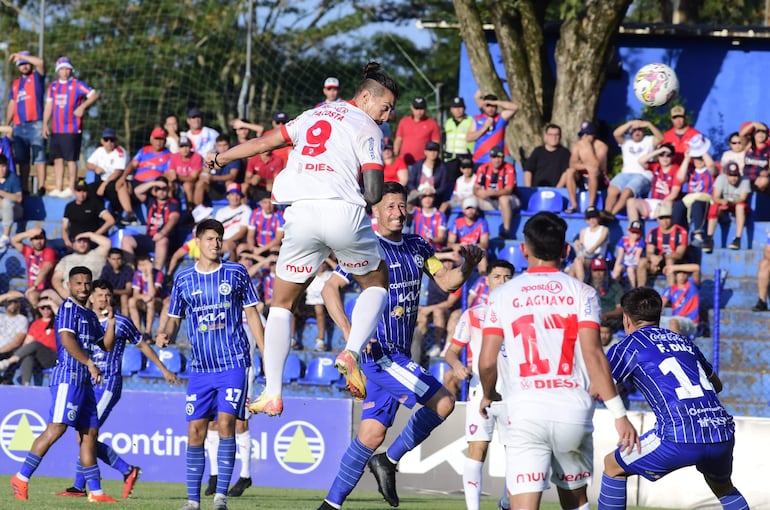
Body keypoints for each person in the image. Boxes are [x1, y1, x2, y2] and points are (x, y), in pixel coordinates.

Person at [207, 62, 399, 416]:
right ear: (366, 97)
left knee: (281, 304)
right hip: (342, 210)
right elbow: (373, 192)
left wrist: (222, 156)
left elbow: (264, 142)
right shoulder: (368, 126)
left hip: (300, 214)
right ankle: (351, 352)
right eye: (385, 107)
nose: (386, 116)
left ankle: (273, 391)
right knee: (377, 282)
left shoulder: (312, 114)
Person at [317, 182, 484, 510]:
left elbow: (446, 283)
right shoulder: (365, 248)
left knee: (370, 436)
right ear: (375, 212)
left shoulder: (418, 245)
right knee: (444, 403)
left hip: (399, 356)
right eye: (390, 207)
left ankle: (330, 505)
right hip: (379, 355)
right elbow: (329, 290)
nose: (398, 213)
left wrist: (466, 266)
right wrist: (354, 337)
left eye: (402, 206)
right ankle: (389, 462)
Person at [477, 211, 638, 510]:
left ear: (524, 249)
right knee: (575, 504)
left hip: (524, 411)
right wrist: (619, 414)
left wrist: (488, 393)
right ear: (565, 251)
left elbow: (487, 362)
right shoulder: (583, 292)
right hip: (571, 410)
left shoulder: (501, 295)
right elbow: (593, 355)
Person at [598, 287, 749, 510]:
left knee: (613, 466)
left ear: (626, 319)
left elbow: (599, 387)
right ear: (658, 317)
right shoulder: (684, 341)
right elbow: (717, 385)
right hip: (720, 432)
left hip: (678, 436)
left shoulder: (628, 346)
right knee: (724, 487)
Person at [155, 219, 263, 510]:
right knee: (195, 431)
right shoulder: (184, 279)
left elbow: (252, 314)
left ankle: (220, 499)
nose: (216, 244)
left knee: (227, 423)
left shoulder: (236, 272)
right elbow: (175, 318)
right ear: (197, 242)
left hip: (233, 363)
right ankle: (192, 502)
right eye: (210, 239)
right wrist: (166, 332)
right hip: (200, 369)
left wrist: (265, 352)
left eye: (219, 239)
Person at [55, 278, 178, 499]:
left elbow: (142, 345)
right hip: (87, 383)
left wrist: (164, 369)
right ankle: (100, 479)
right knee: (84, 436)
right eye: (99, 295)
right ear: (91, 297)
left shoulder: (121, 322)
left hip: (108, 384)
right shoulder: (84, 320)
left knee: (87, 435)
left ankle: (112, 474)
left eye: (107, 295)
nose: (104, 299)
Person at [10, 266, 117, 503]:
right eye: (78, 283)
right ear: (69, 285)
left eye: (86, 283)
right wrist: (89, 362)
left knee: (89, 435)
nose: (83, 287)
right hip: (68, 378)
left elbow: (106, 346)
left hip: (85, 382)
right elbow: (67, 339)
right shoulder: (68, 309)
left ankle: (96, 493)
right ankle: (21, 477)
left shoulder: (89, 315)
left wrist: (111, 321)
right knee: (56, 428)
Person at [444, 259, 514, 510]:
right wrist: (457, 366)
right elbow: (451, 352)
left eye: (507, 277)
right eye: (497, 277)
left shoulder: (521, 314)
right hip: (480, 390)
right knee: (477, 449)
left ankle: (506, 502)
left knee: (517, 453)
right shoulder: (473, 314)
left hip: (514, 393)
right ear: (487, 281)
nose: (502, 282)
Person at [43, 57, 100, 197]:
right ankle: (58, 187)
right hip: (57, 129)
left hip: (72, 128)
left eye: (67, 68)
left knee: (71, 159)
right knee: (57, 159)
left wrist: (82, 107)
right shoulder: (53, 86)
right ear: (58, 70)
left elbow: (94, 95)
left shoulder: (77, 84)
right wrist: (45, 123)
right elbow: (49, 105)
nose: (65, 71)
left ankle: (71, 187)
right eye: (62, 68)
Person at [602, 119, 663, 221]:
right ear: (630, 131)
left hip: (643, 175)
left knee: (627, 191)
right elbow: (616, 134)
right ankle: (606, 213)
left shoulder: (649, 140)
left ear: (644, 131)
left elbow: (661, 138)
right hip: (625, 174)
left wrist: (648, 124)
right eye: (634, 130)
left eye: (640, 129)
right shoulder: (626, 140)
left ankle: (611, 214)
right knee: (612, 189)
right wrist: (630, 123)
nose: (637, 132)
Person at [6, 50, 46, 194]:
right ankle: (24, 187)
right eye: (21, 64)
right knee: (22, 159)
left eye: (26, 64)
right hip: (19, 125)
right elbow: (12, 103)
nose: (24, 66)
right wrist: (7, 123)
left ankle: (41, 187)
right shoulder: (15, 84)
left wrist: (21, 56)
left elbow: (41, 63)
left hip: (35, 122)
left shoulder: (36, 77)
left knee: (39, 157)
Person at [121, 177, 181, 271]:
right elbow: (137, 191)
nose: (161, 191)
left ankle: (157, 274)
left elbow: (173, 220)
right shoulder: (151, 201)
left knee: (162, 241)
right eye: (158, 189)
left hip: (166, 239)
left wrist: (162, 233)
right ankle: (131, 272)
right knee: (126, 240)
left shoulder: (173, 203)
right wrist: (153, 183)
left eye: (163, 189)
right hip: (149, 237)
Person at [0, 297, 57, 386]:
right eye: (43, 308)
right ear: (39, 309)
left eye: (48, 308)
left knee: (35, 344)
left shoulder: (58, 321)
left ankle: (8, 362)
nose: (45, 310)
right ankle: (26, 384)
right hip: (38, 358)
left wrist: (51, 303)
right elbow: (27, 342)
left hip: (52, 356)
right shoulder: (35, 324)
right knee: (28, 355)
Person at [625, 143, 682, 223]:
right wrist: (658, 151)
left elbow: (674, 194)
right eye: (661, 155)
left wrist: (660, 205)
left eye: (668, 155)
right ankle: (635, 229)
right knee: (631, 201)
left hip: (667, 202)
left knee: (668, 204)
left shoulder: (677, 170)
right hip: (652, 201)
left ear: (673, 157)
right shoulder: (656, 166)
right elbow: (640, 161)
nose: (664, 158)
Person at [86, 128, 134, 222]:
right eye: (106, 139)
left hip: (118, 180)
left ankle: (117, 211)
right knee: (89, 189)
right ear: (102, 141)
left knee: (111, 187)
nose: (109, 142)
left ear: (116, 141)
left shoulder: (120, 152)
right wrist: (95, 168)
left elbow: (118, 172)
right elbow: (88, 164)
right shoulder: (99, 151)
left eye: (112, 140)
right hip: (104, 179)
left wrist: (103, 185)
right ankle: (98, 212)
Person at [473, 144, 520, 239]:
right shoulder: (483, 168)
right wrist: (478, 193)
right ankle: (473, 231)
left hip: (511, 200)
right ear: (490, 158)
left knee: (503, 199)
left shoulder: (509, 168)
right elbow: (475, 187)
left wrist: (489, 193)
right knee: (470, 201)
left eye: (499, 157)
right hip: (490, 200)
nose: (497, 160)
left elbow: (508, 190)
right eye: (494, 157)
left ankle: (506, 230)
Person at [704, 160, 751, 253]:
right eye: (731, 175)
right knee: (714, 207)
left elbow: (743, 198)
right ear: (727, 175)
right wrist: (721, 201)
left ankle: (737, 239)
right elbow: (715, 197)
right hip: (725, 204)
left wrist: (729, 203)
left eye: (735, 175)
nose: (733, 178)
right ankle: (709, 239)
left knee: (740, 206)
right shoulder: (721, 179)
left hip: (736, 204)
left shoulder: (745, 180)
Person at [637, 202, 688, 287]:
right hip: (657, 263)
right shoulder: (653, 232)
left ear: (672, 218)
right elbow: (649, 251)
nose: (665, 221)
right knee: (642, 262)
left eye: (667, 217)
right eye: (662, 218)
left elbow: (679, 254)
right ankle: (640, 291)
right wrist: (653, 258)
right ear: (657, 219)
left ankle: (670, 293)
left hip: (676, 263)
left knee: (670, 261)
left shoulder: (681, 232)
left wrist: (663, 257)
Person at [677, 138, 716, 247]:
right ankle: (677, 234)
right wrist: (686, 158)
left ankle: (698, 235)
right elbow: (680, 178)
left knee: (697, 203)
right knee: (678, 206)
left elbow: (712, 167)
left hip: (706, 199)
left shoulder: (709, 171)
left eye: (700, 158)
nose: (698, 160)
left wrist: (702, 150)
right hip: (690, 198)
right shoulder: (691, 172)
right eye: (695, 158)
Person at [50, 232, 112, 301]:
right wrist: (64, 294)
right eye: (79, 241)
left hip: (91, 295)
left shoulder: (97, 254)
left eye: (85, 241)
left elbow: (107, 243)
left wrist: (88, 234)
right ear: (73, 244)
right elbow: (56, 279)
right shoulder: (66, 259)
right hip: (68, 295)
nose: (82, 244)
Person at [564, 120, 608, 213]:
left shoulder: (601, 146)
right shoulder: (578, 145)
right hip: (582, 175)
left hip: (598, 177)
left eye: (588, 134)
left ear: (594, 135)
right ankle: (574, 204)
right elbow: (572, 164)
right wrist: (585, 166)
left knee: (593, 172)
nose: (585, 137)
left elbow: (596, 166)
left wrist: (588, 148)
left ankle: (590, 206)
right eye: (583, 134)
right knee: (569, 172)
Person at [62, 177, 116, 250]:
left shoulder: (94, 204)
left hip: (91, 244)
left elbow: (110, 221)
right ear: (74, 191)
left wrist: (94, 236)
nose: (81, 194)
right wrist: (67, 241)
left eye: (84, 191)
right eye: (79, 191)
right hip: (76, 242)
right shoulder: (70, 206)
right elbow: (64, 227)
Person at [11, 227, 58, 309]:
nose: (39, 242)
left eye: (41, 238)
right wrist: (28, 233)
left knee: (32, 296)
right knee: (7, 296)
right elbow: (14, 240)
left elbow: (45, 270)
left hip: (45, 289)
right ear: (31, 240)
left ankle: (37, 319)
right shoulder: (28, 251)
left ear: (45, 239)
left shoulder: (49, 251)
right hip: (30, 289)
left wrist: (34, 286)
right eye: (36, 238)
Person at [466, 91, 519, 164]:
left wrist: (496, 102)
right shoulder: (477, 119)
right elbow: (468, 138)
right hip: (479, 160)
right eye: (488, 106)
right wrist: (484, 128)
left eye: (493, 106)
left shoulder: (501, 118)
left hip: (496, 162)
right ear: (483, 106)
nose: (490, 109)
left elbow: (515, 107)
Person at [394, 96, 441, 167]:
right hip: (404, 162)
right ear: (412, 108)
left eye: (421, 108)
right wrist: (395, 156)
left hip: (423, 163)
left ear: (425, 109)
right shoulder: (404, 121)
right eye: (416, 108)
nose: (419, 111)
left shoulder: (432, 123)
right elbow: (398, 140)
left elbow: (436, 143)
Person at [660, 263, 701, 337]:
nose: (681, 276)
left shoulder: (692, 285)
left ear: (687, 275)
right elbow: (659, 306)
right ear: (675, 275)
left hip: (691, 322)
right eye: (679, 273)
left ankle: (677, 346)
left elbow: (696, 268)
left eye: (684, 273)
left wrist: (674, 267)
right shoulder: (670, 289)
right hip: (675, 320)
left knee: (674, 322)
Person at [570, 206, 609, 283]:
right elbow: (581, 248)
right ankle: (576, 285)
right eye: (589, 218)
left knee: (577, 262)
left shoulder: (604, 229)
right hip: (584, 258)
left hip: (597, 258)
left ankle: (580, 284)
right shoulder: (583, 231)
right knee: (575, 265)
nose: (592, 220)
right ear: (586, 220)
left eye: (594, 217)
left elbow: (598, 244)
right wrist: (577, 244)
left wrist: (586, 254)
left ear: (598, 218)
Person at [127, 254, 164, 335]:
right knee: (131, 301)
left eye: (145, 265)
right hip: (143, 299)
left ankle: (148, 332)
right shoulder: (138, 274)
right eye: (140, 265)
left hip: (157, 300)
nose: (142, 268)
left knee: (150, 302)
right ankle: (137, 330)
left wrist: (150, 274)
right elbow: (135, 294)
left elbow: (153, 294)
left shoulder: (158, 274)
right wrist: (143, 297)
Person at [406, 140, 450, 205]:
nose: (432, 153)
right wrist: (413, 190)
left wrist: (434, 191)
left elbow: (443, 186)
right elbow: (411, 182)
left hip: (433, 195)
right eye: (430, 150)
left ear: (438, 153)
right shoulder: (417, 166)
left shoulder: (442, 168)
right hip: (418, 194)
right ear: (425, 152)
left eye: (435, 151)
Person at [214, 182, 251, 259]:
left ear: (241, 197)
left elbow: (242, 232)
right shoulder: (221, 211)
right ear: (227, 196)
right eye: (232, 194)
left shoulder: (246, 209)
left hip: (236, 241)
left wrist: (227, 241)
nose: (235, 197)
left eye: (237, 195)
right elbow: (216, 230)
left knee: (228, 246)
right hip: (221, 240)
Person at [0, 291, 31, 382]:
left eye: (15, 302)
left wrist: (0, 351)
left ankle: (6, 381)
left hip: (9, 350)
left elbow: (17, 342)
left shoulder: (22, 319)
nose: (13, 304)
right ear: (5, 305)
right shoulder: (1, 317)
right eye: (10, 302)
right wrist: (7, 295)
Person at [443, 96, 474, 183]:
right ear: (451, 109)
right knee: (450, 184)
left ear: (464, 108)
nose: (458, 110)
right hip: (450, 159)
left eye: (460, 107)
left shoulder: (471, 121)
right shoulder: (448, 122)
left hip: (465, 158)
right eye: (455, 107)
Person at [166, 135, 203, 207]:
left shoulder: (197, 157)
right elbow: (171, 174)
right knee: (169, 184)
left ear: (190, 147)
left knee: (187, 185)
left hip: (192, 184)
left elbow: (193, 178)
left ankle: (190, 210)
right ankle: (170, 208)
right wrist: (173, 177)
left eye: (187, 146)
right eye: (182, 147)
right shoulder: (174, 157)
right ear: (179, 148)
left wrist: (177, 177)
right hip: (177, 184)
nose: (184, 149)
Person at [411, 183, 447, 250]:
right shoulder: (416, 212)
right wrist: (419, 193)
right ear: (420, 198)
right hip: (417, 249)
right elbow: (406, 203)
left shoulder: (440, 215)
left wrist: (429, 240)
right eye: (424, 196)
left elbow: (441, 238)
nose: (427, 199)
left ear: (434, 198)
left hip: (435, 250)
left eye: (430, 196)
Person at [588, 258, 624, 325]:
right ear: (591, 272)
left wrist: (606, 315)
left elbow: (620, 309)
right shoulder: (587, 287)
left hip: (611, 323)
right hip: (591, 321)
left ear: (606, 272)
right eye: (595, 270)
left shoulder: (616, 286)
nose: (598, 273)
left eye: (601, 270)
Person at [611, 220, 645, 289]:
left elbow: (637, 256)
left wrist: (638, 268)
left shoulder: (640, 242)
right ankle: (613, 287)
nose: (634, 235)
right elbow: (620, 256)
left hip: (634, 264)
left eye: (637, 233)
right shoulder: (623, 240)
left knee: (630, 269)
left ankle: (632, 288)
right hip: (625, 263)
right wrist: (616, 267)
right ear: (628, 231)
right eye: (632, 232)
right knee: (618, 268)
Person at [739, 120, 770, 193]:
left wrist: (767, 172)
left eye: (763, 132)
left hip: (759, 179)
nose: (761, 134)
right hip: (745, 178)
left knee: (764, 181)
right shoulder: (748, 145)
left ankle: (758, 199)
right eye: (758, 132)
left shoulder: (768, 149)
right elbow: (741, 135)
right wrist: (753, 125)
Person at [99, 248, 134, 314]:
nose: (116, 262)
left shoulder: (128, 270)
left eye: (118, 259)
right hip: (109, 295)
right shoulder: (106, 269)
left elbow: (128, 290)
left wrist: (112, 291)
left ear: (122, 259)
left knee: (124, 297)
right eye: (113, 259)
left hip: (122, 296)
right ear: (109, 259)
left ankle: (124, 320)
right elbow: (102, 286)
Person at [0, 154, 23, 249]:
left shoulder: (13, 177)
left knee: (7, 203)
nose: (1, 170)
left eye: (3, 166)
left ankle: (5, 237)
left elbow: (19, 198)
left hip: (15, 211)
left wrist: (2, 193)